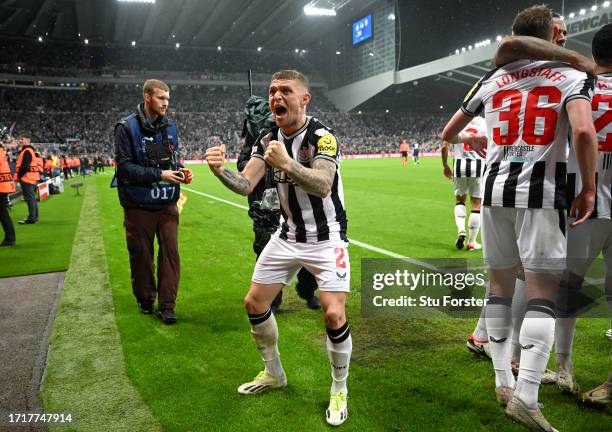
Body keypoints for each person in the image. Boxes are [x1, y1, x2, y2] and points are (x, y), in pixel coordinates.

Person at [442, 5, 598, 431]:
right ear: (548, 36)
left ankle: (502, 380)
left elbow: (449, 131)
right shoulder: (571, 75)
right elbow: (584, 132)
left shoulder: (494, 78)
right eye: (559, 35)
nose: (564, 41)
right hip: (542, 195)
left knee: (498, 287)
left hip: (494, 194)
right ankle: (527, 395)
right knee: (543, 295)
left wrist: (472, 136)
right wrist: (586, 187)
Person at [205, 70, 351, 426]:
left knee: (333, 315)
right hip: (287, 236)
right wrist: (220, 171)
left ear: (304, 98)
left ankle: (339, 388)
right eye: (272, 92)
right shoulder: (267, 137)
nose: (276, 97)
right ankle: (274, 373)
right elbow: (245, 184)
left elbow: (323, 184)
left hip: (327, 237)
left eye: (285, 90)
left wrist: (287, 163)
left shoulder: (322, 137)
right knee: (254, 303)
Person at [493, 22, 612, 400]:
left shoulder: (576, 83)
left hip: (579, 202)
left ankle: (560, 366)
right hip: (592, 198)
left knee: (561, 291)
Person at [114, 79, 192, 325]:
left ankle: (167, 305)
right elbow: (125, 168)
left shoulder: (170, 126)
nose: (166, 103)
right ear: (147, 97)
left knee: (171, 254)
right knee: (141, 255)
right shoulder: (126, 127)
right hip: (138, 205)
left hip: (167, 202)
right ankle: (146, 298)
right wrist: (160, 174)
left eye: (168, 99)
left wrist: (180, 171)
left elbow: (172, 159)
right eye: (161, 98)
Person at [238, 96, 321, 314]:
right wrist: (265, 163)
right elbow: (243, 165)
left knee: (308, 247)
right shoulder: (256, 139)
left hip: (294, 202)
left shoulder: (289, 134)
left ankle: (307, 290)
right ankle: (272, 302)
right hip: (265, 203)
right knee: (265, 247)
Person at [441, 116, 487, 251]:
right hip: (478, 165)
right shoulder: (485, 122)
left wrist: (445, 165)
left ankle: (461, 230)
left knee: (460, 201)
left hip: (459, 165)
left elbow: (444, 145)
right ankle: (471, 242)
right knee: (476, 204)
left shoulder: (458, 121)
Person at [14, 135, 39, 224]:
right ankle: (34, 217)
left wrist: (19, 177)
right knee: (32, 198)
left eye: (22, 139)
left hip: (27, 177)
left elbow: (24, 166)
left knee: (29, 198)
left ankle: (32, 218)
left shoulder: (27, 151)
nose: (20, 140)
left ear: (27, 140)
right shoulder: (29, 150)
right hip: (31, 177)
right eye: (19, 139)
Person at [0, 138, 15, 246]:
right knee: (2, 213)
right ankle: (10, 238)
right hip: (4, 185)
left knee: (2, 213)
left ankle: (10, 238)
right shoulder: (1, 151)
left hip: (1, 186)